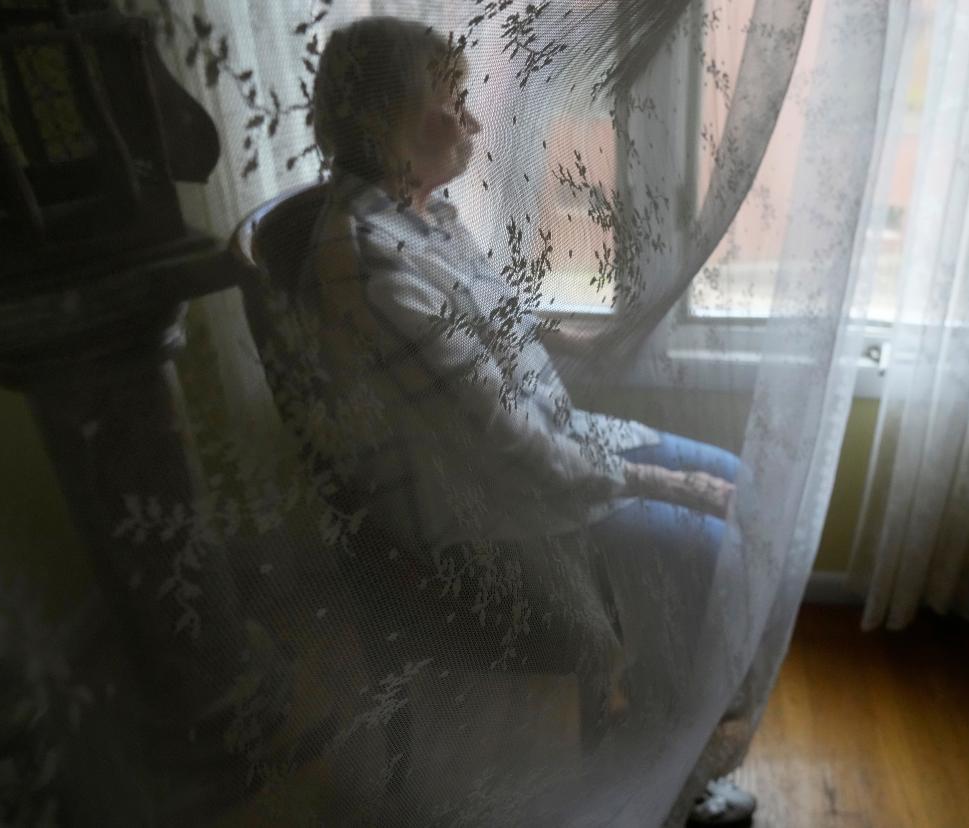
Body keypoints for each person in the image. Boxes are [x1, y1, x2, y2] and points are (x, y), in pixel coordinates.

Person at [308, 17, 755, 825]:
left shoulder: (420, 213)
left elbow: (484, 316)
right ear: (385, 122)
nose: (474, 121)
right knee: (714, 548)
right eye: (451, 102)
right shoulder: (372, 264)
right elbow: (503, 443)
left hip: (545, 449)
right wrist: (665, 481)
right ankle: (663, 763)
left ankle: (668, 720)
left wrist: (561, 331)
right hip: (491, 505)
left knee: (742, 486)